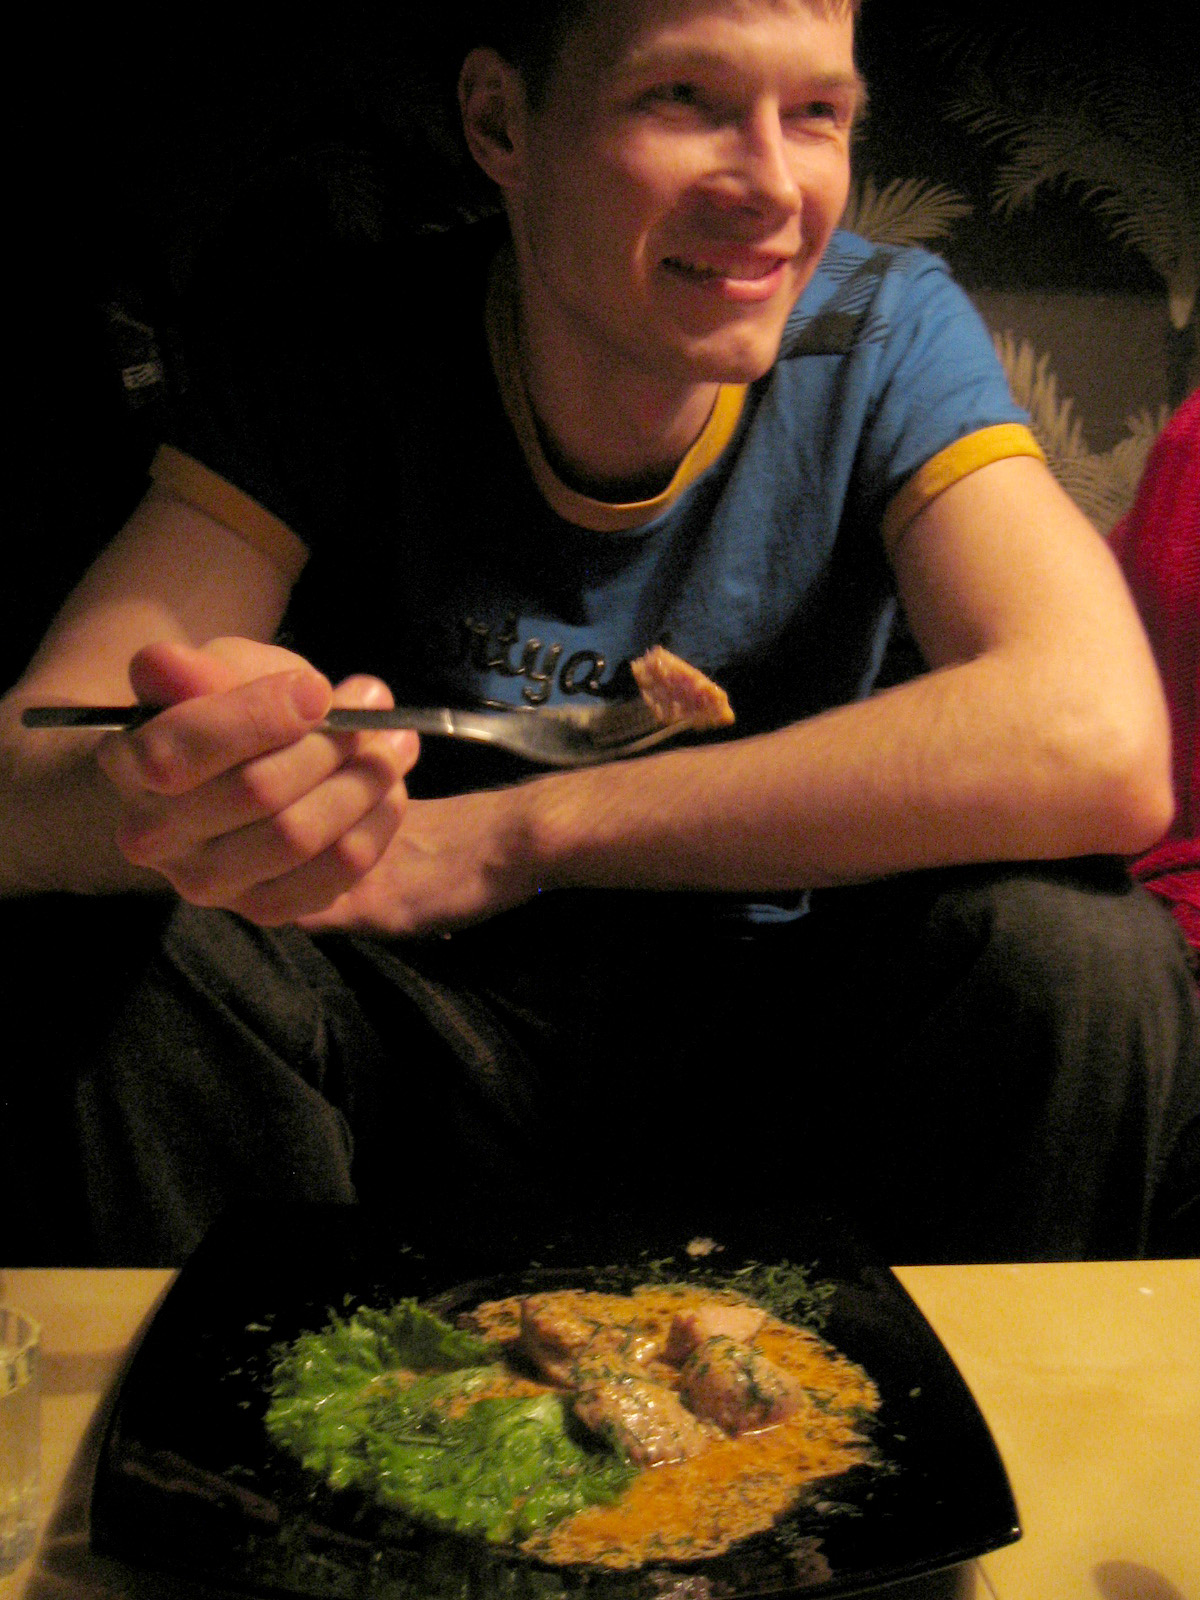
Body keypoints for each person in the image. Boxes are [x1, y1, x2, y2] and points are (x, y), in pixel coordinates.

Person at [2, 0, 1197, 1266]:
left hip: (779, 1044)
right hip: (413, 1037)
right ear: (500, 123)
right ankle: (248, 1394)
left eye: (817, 114)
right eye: (682, 99)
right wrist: (193, 783)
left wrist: (519, 836)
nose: (772, 187)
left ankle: (955, 1400)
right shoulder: (345, 341)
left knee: (1076, 956)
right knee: (118, 946)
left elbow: (1101, 742)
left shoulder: (880, 326)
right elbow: (20, 790)